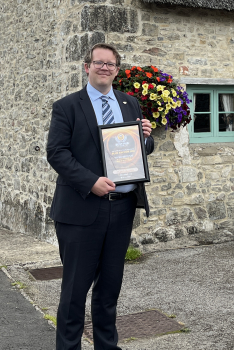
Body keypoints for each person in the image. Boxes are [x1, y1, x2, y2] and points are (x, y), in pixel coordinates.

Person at [46, 43, 154, 350]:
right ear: (87, 66)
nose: (104, 68)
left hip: (121, 210)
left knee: (109, 289)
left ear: (117, 70)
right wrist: (90, 181)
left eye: (110, 64)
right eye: (98, 63)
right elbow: (57, 153)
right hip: (81, 211)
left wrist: (146, 139)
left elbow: (139, 150)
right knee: (75, 291)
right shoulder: (67, 106)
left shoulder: (129, 103)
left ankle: (107, 346)